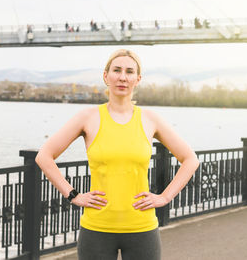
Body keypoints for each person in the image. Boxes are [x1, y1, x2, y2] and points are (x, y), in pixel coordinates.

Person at [35, 49, 199, 260]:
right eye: (117, 70)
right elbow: (44, 156)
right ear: (106, 76)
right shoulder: (88, 117)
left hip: (142, 229)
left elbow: (190, 159)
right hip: (96, 229)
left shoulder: (150, 119)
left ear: (137, 79)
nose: (123, 77)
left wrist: (165, 197)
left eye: (130, 72)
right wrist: (74, 195)